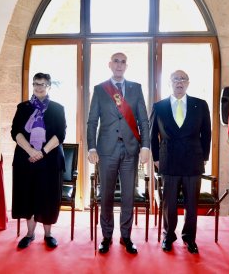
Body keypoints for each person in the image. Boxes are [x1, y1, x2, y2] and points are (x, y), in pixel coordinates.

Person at [87, 52, 150, 254]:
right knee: (105, 195)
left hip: (131, 149)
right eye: (116, 61)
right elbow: (92, 122)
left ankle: (126, 236)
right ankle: (106, 237)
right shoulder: (99, 89)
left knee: (128, 196)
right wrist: (92, 147)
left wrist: (146, 146)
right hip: (106, 151)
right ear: (109, 64)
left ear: (126, 66)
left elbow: (143, 120)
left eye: (123, 62)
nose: (119, 65)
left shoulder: (136, 88)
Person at [150, 70, 211, 254]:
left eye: (183, 79)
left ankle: (189, 238)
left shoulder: (200, 105)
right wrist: (156, 159)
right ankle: (168, 237)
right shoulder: (159, 106)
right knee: (169, 204)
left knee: (192, 204)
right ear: (170, 82)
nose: (179, 82)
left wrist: (204, 157)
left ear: (188, 83)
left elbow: (206, 134)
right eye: (176, 79)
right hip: (168, 161)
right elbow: (153, 135)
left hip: (193, 161)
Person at [11, 72, 66, 249]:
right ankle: (29, 234)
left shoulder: (58, 108)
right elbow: (15, 132)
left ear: (49, 86)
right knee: (28, 196)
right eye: (35, 84)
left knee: (47, 197)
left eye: (42, 84)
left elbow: (60, 135)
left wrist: (41, 152)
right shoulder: (23, 107)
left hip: (49, 160)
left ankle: (48, 235)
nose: (38, 87)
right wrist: (30, 151)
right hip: (26, 159)